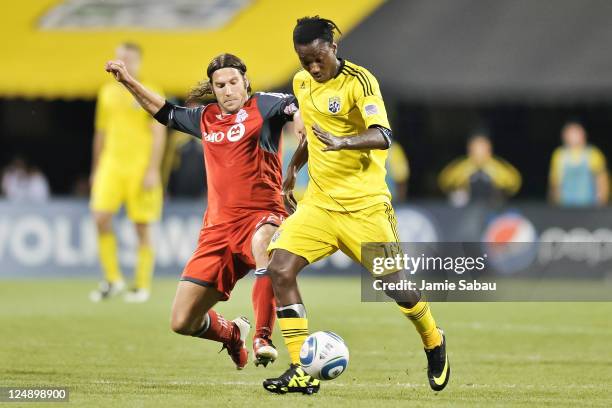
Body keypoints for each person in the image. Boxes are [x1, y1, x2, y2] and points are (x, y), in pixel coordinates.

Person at [263, 16, 449, 395]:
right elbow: (313, 135)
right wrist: (293, 169)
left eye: (319, 58)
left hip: (365, 208)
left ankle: (433, 339)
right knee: (279, 268)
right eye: (305, 60)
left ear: (333, 48)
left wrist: (342, 141)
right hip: (319, 205)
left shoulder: (360, 82)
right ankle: (300, 368)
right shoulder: (301, 83)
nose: (313, 68)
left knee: (398, 288)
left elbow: (383, 135)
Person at [104, 53, 302, 369]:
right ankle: (233, 333)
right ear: (213, 87)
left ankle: (262, 337)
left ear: (245, 82)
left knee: (267, 242)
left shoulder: (263, 106)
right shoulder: (205, 118)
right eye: (220, 85)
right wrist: (128, 81)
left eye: (233, 82)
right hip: (217, 231)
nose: (228, 90)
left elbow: (297, 104)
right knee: (182, 321)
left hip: (261, 216)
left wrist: (300, 122)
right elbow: (165, 112)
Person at [89, 43, 166, 303]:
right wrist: (96, 168)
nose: (123, 62)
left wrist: (153, 170)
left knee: (141, 226)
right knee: (100, 217)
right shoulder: (106, 92)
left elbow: (159, 132)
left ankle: (141, 285)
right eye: (120, 57)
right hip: (111, 166)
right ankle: (113, 279)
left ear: (138, 62)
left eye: (129, 59)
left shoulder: (150, 91)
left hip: (140, 167)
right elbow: (100, 132)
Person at [438, 132, 521, 207]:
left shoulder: (496, 166)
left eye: (482, 147)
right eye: (476, 148)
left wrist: (499, 185)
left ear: (489, 149)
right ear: (470, 150)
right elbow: (444, 181)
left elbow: (514, 182)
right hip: (467, 204)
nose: (479, 151)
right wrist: (460, 185)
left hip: (492, 203)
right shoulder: (463, 166)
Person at [548, 121, 609, 207]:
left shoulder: (593, 154)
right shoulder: (559, 155)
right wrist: (555, 204)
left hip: (589, 207)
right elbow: (555, 184)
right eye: (570, 133)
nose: (573, 136)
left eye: (576, 132)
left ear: (583, 134)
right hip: (565, 207)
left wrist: (601, 202)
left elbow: (601, 180)